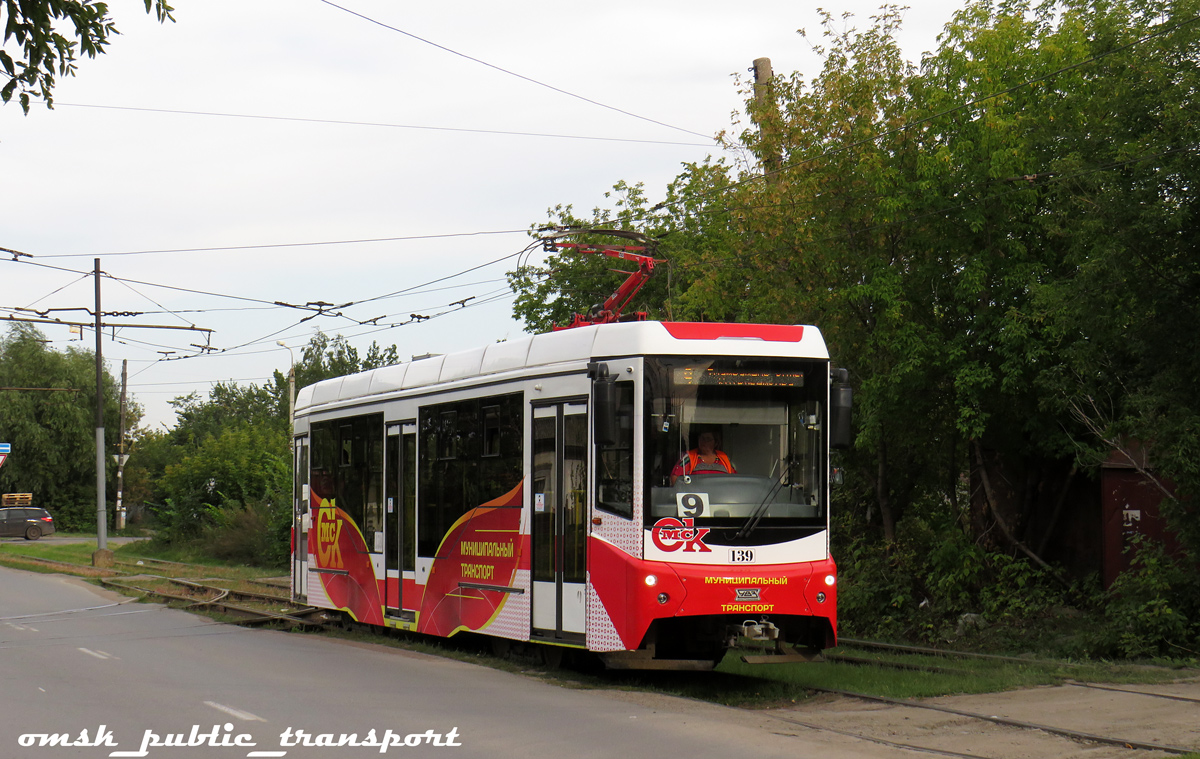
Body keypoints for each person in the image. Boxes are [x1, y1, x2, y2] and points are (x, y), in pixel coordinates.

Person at [670, 430, 736, 485]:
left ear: (716, 443)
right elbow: (675, 477)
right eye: (702, 438)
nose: (703, 442)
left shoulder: (725, 459)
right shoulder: (689, 458)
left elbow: (734, 480)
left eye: (708, 439)